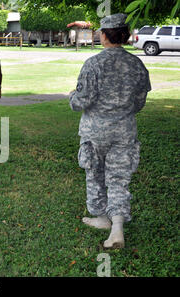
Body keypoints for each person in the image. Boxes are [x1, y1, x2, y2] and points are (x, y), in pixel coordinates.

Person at [69, 13, 151, 249]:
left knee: (94, 173)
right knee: (118, 178)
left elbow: (81, 102)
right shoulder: (137, 64)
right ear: (124, 37)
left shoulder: (93, 64)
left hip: (95, 132)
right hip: (124, 130)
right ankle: (116, 227)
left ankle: (101, 217)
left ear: (104, 36)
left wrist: (72, 97)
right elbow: (139, 102)